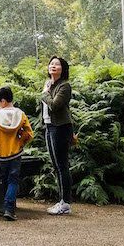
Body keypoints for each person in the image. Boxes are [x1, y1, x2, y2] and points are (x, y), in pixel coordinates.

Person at [0, 86, 34, 221]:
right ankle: (9, 208)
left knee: (5, 180)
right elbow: (29, 134)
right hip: (16, 153)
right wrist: (20, 142)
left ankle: (6, 207)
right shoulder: (21, 115)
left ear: (2, 101)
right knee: (13, 180)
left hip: (1, 154)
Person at [42, 55, 73, 215]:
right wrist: (46, 91)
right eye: (51, 63)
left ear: (63, 69)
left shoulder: (64, 86)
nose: (53, 66)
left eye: (57, 64)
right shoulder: (49, 84)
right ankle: (61, 201)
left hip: (60, 127)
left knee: (62, 165)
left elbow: (55, 105)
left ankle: (65, 203)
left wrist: (44, 94)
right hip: (49, 126)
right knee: (56, 166)